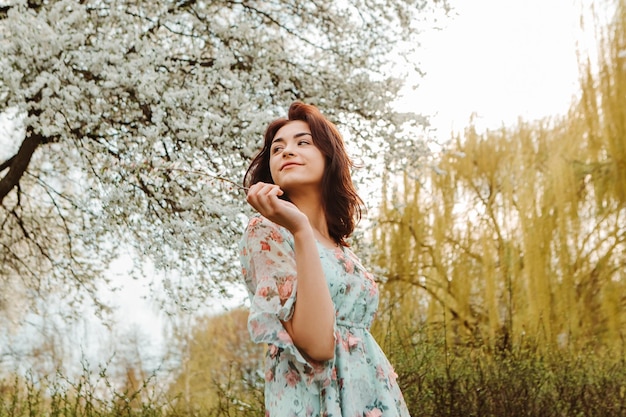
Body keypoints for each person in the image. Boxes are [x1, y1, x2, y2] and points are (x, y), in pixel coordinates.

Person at [239, 101, 410, 416]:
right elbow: (318, 345)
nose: (287, 152)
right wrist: (301, 230)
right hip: (317, 402)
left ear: (329, 157)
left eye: (302, 143)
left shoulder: (342, 249)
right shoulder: (269, 232)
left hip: (372, 398)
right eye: (277, 149)